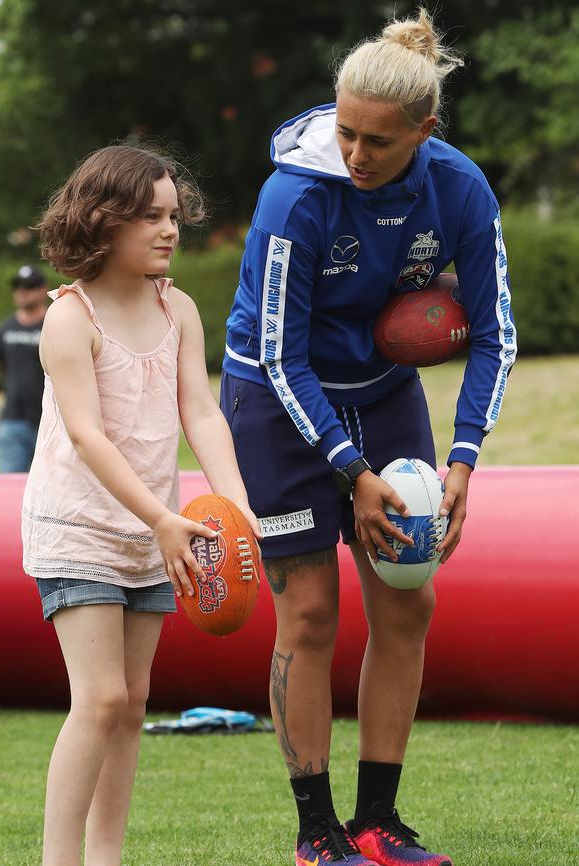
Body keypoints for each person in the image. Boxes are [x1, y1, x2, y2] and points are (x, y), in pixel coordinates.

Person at [221, 9, 515, 866]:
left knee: (408, 601)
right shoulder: (296, 193)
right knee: (310, 613)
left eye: (378, 143)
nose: (355, 155)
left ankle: (380, 822)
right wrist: (350, 471)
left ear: (425, 131)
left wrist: (463, 459)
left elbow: (496, 332)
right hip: (278, 402)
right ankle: (318, 834)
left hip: (386, 397)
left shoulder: (460, 188)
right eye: (344, 132)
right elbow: (277, 353)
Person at [21, 144, 259, 866]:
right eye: (150, 216)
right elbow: (89, 437)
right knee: (97, 700)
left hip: (158, 534)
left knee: (130, 706)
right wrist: (161, 520)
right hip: (81, 530)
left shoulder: (177, 308)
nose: (169, 230)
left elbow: (204, 415)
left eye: (174, 216)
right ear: (102, 221)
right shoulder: (70, 318)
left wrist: (235, 504)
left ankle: (106, 860)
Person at [0, 265, 49, 471]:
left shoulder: (54, 324)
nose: (22, 291)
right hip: (12, 420)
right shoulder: (6, 329)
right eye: (17, 286)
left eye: (29, 286)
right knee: (9, 487)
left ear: (43, 289)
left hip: (49, 422)